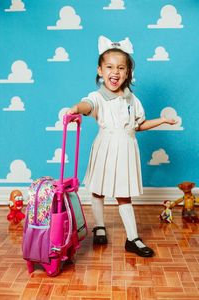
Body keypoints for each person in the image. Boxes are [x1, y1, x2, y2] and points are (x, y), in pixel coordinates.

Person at [67, 35, 177, 257]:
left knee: (123, 196)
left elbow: (139, 125)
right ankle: (99, 226)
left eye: (120, 68)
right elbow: (88, 106)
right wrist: (76, 108)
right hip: (105, 147)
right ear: (100, 70)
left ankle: (132, 238)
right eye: (109, 67)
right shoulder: (97, 97)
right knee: (97, 190)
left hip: (126, 149)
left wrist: (163, 120)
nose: (115, 72)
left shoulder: (131, 100)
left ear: (127, 73)